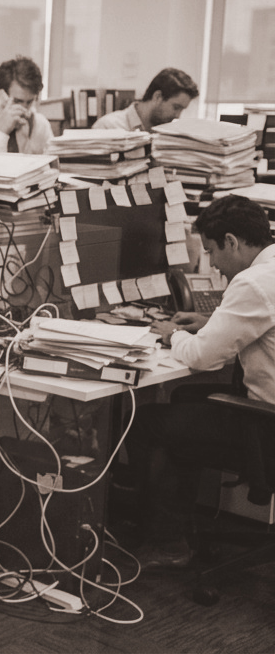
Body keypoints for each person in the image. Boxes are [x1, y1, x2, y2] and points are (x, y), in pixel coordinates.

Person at [140, 194, 275, 568]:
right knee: (184, 397)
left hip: (266, 426)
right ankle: (179, 529)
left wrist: (172, 334)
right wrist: (211, 324)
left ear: (232, 241)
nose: (212, 263)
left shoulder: (253, 283)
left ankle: (167, 543)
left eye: (213, 251)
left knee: (152, 424)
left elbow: (202, 357)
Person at [0, 55, 52, 155]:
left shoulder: (40, 124)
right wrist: (2, 131)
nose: (24, 110)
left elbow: (53, 166)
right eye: (17, 101)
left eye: (29, 102)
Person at [93, 67, 198, 132]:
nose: (177, 116)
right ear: (157, 96)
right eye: (176, 107)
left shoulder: (166, 134)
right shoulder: (107, 126)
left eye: (182, 110)